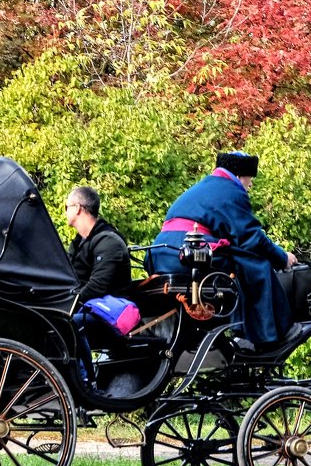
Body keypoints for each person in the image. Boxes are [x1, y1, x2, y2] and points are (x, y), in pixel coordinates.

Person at [147, 151, 298, 349]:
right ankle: (266, 336)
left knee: (238, 258)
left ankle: (239, 330)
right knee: (255, 264)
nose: (250, 185)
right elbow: (251, 238)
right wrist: (282, 257)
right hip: (187, 254)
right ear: (239, 176)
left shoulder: (203, 187)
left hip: (160, 254)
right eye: (249, 179)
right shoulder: (231, 191)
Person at [65, 185, 130, 385]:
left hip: (109, 314)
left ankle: (86, 381)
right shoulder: (78, 243)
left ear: (77, 208)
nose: (65, 211)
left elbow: (97, 287)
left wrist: (66, 308)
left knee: (68, 323)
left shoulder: (109, 242)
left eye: (66, 206)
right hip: (88, 310)